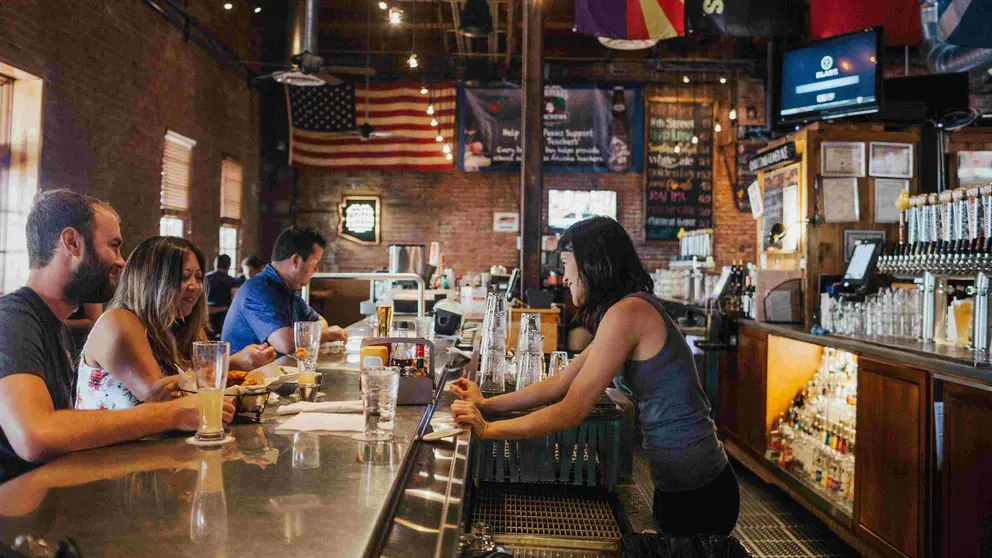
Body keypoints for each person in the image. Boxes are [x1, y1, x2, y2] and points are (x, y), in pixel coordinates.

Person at [449, 217, 739, 536]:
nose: (564, 277)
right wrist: (486, 404)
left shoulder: (629, 314)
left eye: (565, 264)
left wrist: (489, 430)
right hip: (679, 483)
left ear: (591, 263)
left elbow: (572, 409)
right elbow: (560, 383)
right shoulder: (623, 312)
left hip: (700, 489)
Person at [0, 190, 234, 484]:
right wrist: (173, 414)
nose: (122, 262)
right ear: (72, 242)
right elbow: (35, 436)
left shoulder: (54, 325)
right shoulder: (12, 319)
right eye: (114, 246)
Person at [76, 237, 276, 410]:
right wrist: (231, 363)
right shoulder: (117, 321)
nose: (195, 286)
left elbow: (203, 390)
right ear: (151, 281)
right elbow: (157, 395)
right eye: (184, 277)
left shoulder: (183, 324)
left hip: (165, 447)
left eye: (198, 277)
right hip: (110, 453)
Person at [222, 226, 348, 356]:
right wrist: (326, 334)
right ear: (295, 260)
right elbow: (285, 343)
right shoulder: (257, 290)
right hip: (246, 375)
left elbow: (321, 322)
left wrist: (305, 334)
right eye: (313, 263)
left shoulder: (288, 289)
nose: (316, 270)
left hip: (274, 372)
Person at [206, 254, 240, 337]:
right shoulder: (232, 281)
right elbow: (238, 300)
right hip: (223, 317)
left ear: (215, 264)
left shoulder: (205, 278)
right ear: (228, 265)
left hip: (205, 314)